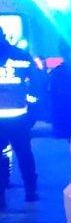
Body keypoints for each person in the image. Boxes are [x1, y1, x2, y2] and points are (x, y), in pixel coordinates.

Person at [0, 36, 40, 210]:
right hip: (19, 116)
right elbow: (35, 85)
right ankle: (30, 191)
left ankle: (1, 197)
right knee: (24, 154)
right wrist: (33, 111)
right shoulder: (22, 56)